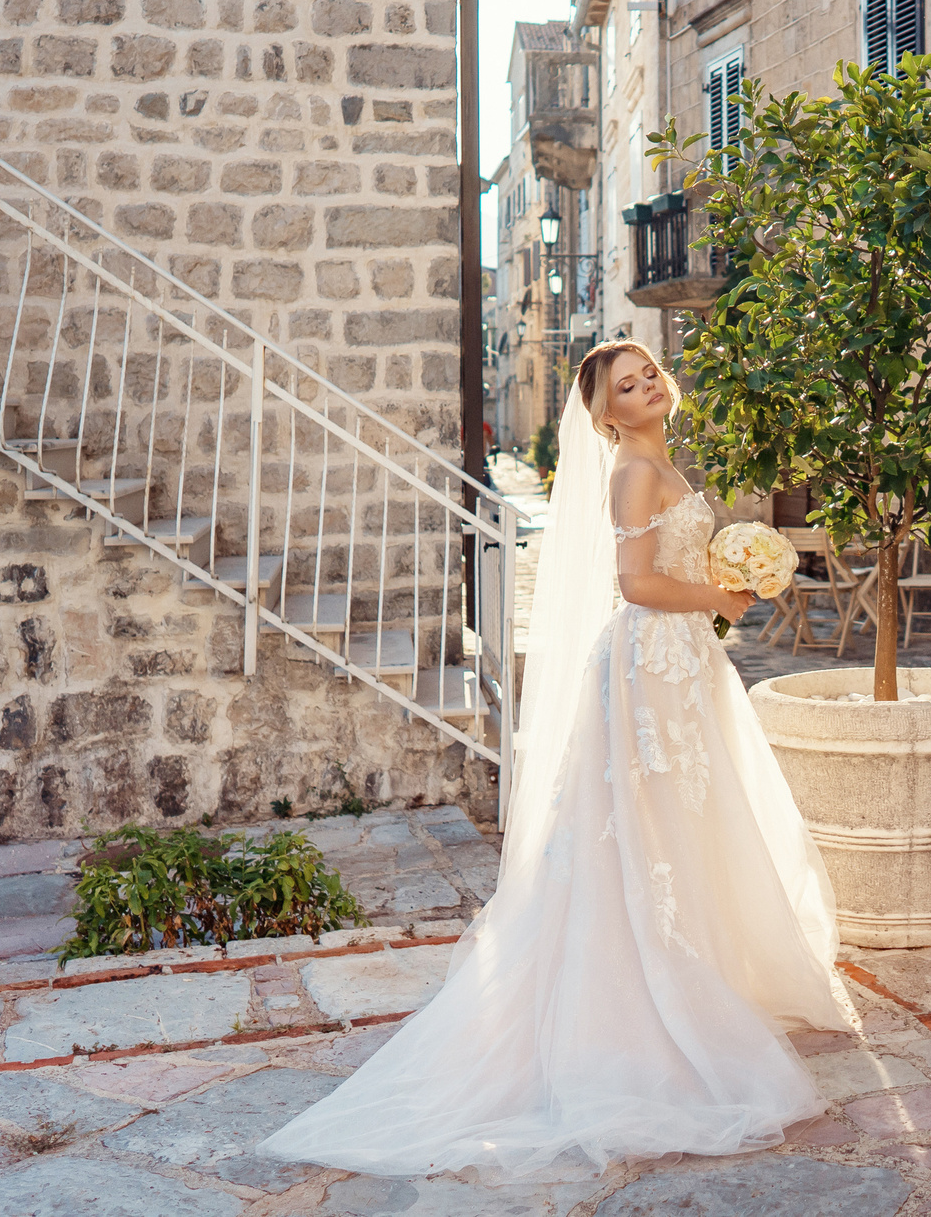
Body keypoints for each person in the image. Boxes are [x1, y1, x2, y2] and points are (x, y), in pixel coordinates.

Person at [262, 338, 845, 1181]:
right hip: (649, 662)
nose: (648, 384)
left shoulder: (662, 458)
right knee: (645, 826)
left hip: (685, 662)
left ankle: (704, 973)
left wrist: (724, 583)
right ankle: (640, 1000)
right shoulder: (631, 473)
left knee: (694, 817)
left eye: (650, 372)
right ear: (606, 413)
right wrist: (722, 595)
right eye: (628, 383)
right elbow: (637, 582)